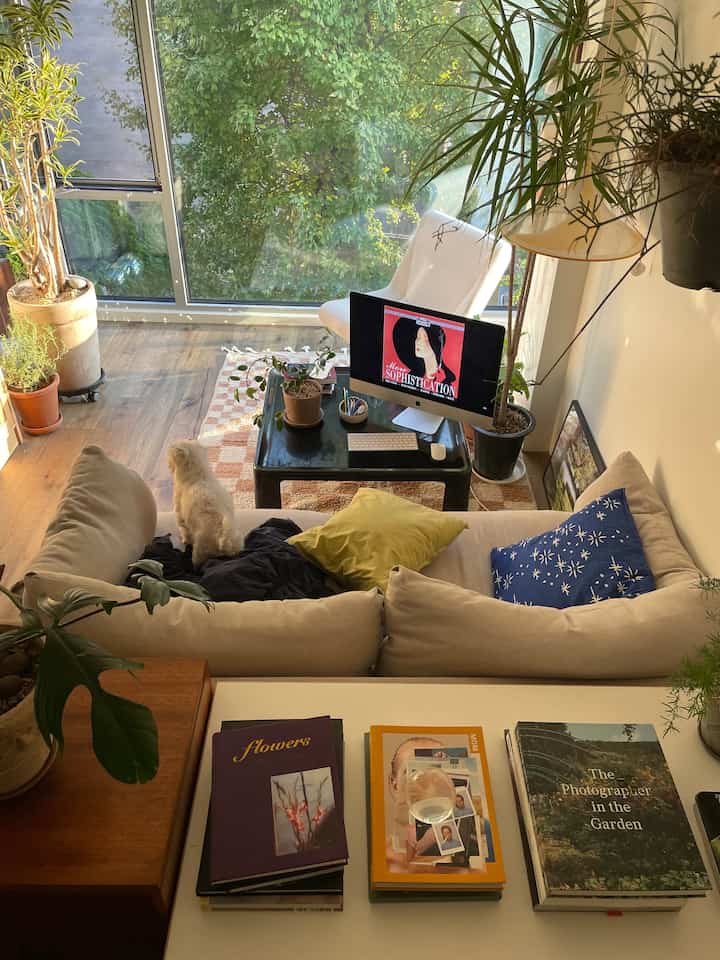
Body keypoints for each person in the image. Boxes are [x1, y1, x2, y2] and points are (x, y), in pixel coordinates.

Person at [391, 316, 457, 386]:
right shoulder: (410, 379)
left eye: (425, 337)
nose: (418, 342)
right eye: (417, 337)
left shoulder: (447, 380)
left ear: (434, 343)